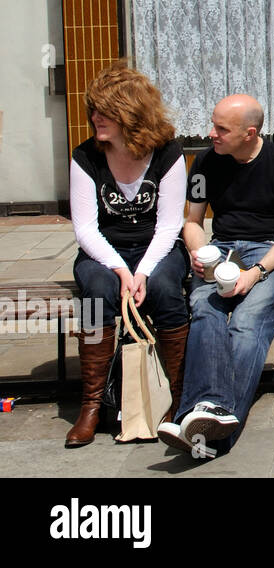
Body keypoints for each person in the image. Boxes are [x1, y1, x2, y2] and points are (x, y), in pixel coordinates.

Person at [158, 94, 274, 458]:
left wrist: (256, 273)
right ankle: (209, 413)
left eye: (221, 129)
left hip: (270, 253)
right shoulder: (206, 161)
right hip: (222, 250)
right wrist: (198, 251)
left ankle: (206, 422)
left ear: (250, 133)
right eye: (213, 124)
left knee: (246, 321)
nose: (212, 134)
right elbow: (191, 222)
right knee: (205, 312)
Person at [67, 62, 190, 447]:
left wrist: (144, 272)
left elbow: (171, 225)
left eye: (105, 111)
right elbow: (85, 228)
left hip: (158, 246)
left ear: (131, 114)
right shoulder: (85, 156)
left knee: (167, 288)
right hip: (106, 251)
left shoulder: (168, 153)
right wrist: (122, 270)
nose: (94, 118)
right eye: (93, 110)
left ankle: (174, 399)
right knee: (96, 292)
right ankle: (90, 406)